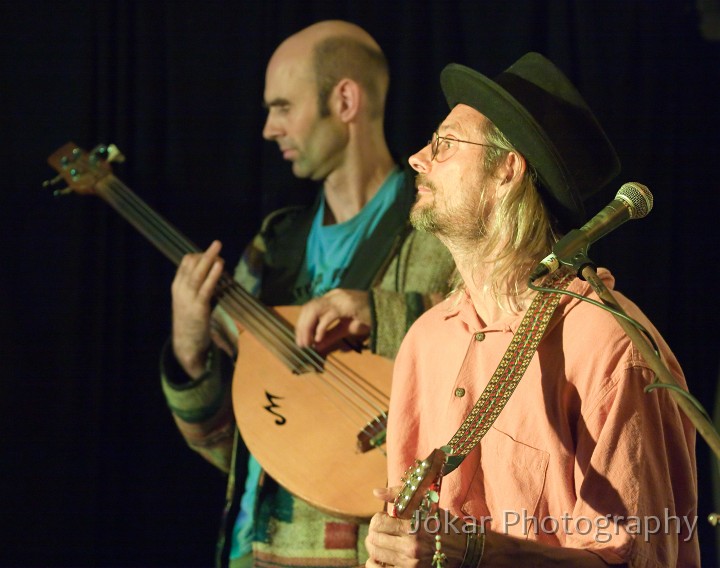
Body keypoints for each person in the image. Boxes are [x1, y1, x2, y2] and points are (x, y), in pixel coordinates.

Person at [364, 53, 699, 566]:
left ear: (507, 170)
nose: (416, 157)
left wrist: (481, 552)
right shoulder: (425, 341)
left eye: (444, 144)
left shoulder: (606, 346)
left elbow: (638, 558)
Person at [160, 20, 455, 568]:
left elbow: (504, 354)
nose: (269, 128)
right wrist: (189, 346)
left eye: (282, 107)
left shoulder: (439, 234)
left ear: (344, 100)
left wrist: (379, 314)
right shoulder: (272, 248)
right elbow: (229, 442)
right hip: (249, 549)